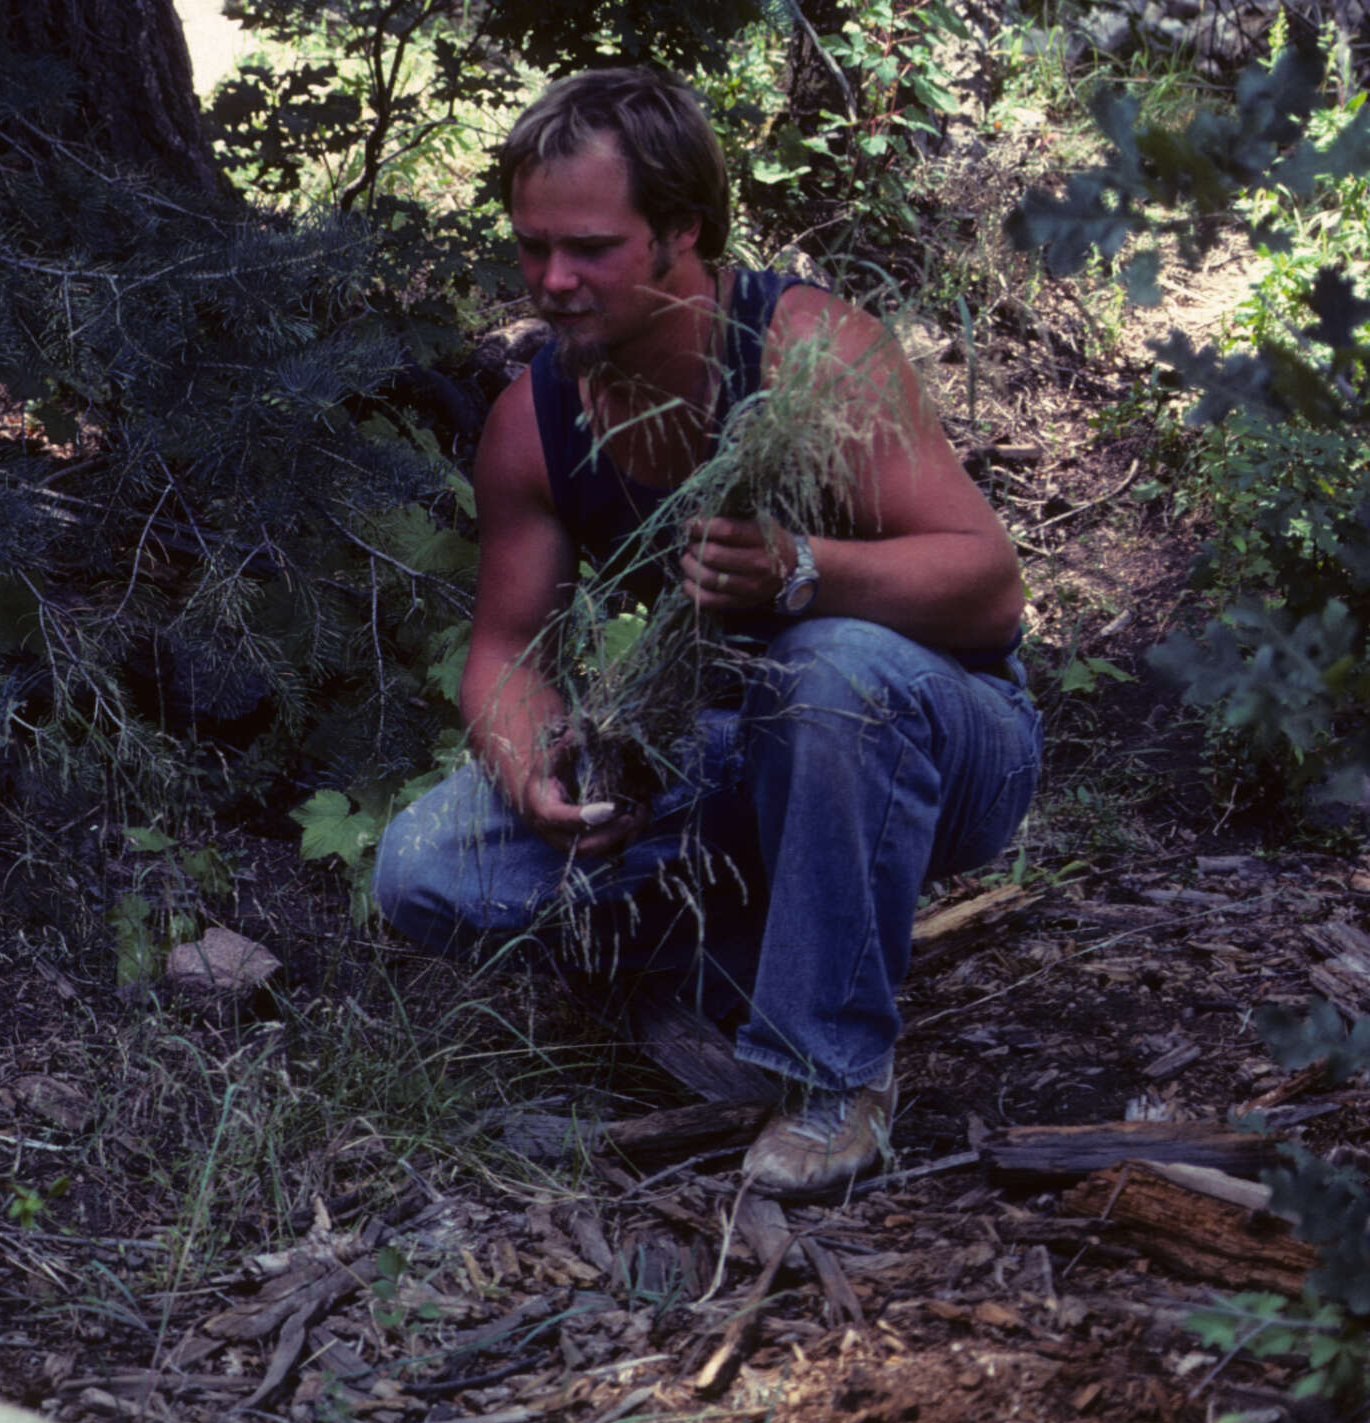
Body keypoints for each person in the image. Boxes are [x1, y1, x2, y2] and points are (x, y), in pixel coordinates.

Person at [373, 68, 1042, 1197]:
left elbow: (990, 589)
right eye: (532, 247)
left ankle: (834, 1077)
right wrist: (542, 768)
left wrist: (804, 573)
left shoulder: (812, 355)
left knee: (830, 666)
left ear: (685, 229)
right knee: (425, 868)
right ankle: (763, 955)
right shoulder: (534, 420)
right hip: (737, 762)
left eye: (590, 247)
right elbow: (505, 654)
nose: (551, 281)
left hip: (945, 743)